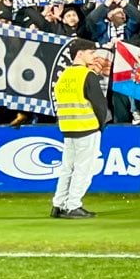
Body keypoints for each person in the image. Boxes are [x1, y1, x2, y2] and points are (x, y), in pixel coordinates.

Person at [51, 45, 113, 220]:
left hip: (68, 128)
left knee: (67, 169)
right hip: (87, 127)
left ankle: (58, 204)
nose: (94, 56)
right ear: (79, 53)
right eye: (90, 52)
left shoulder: (63, 76)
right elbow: (100, 105)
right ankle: (73, 205)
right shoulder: (87, 75)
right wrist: (101, 126)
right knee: (84, 169)